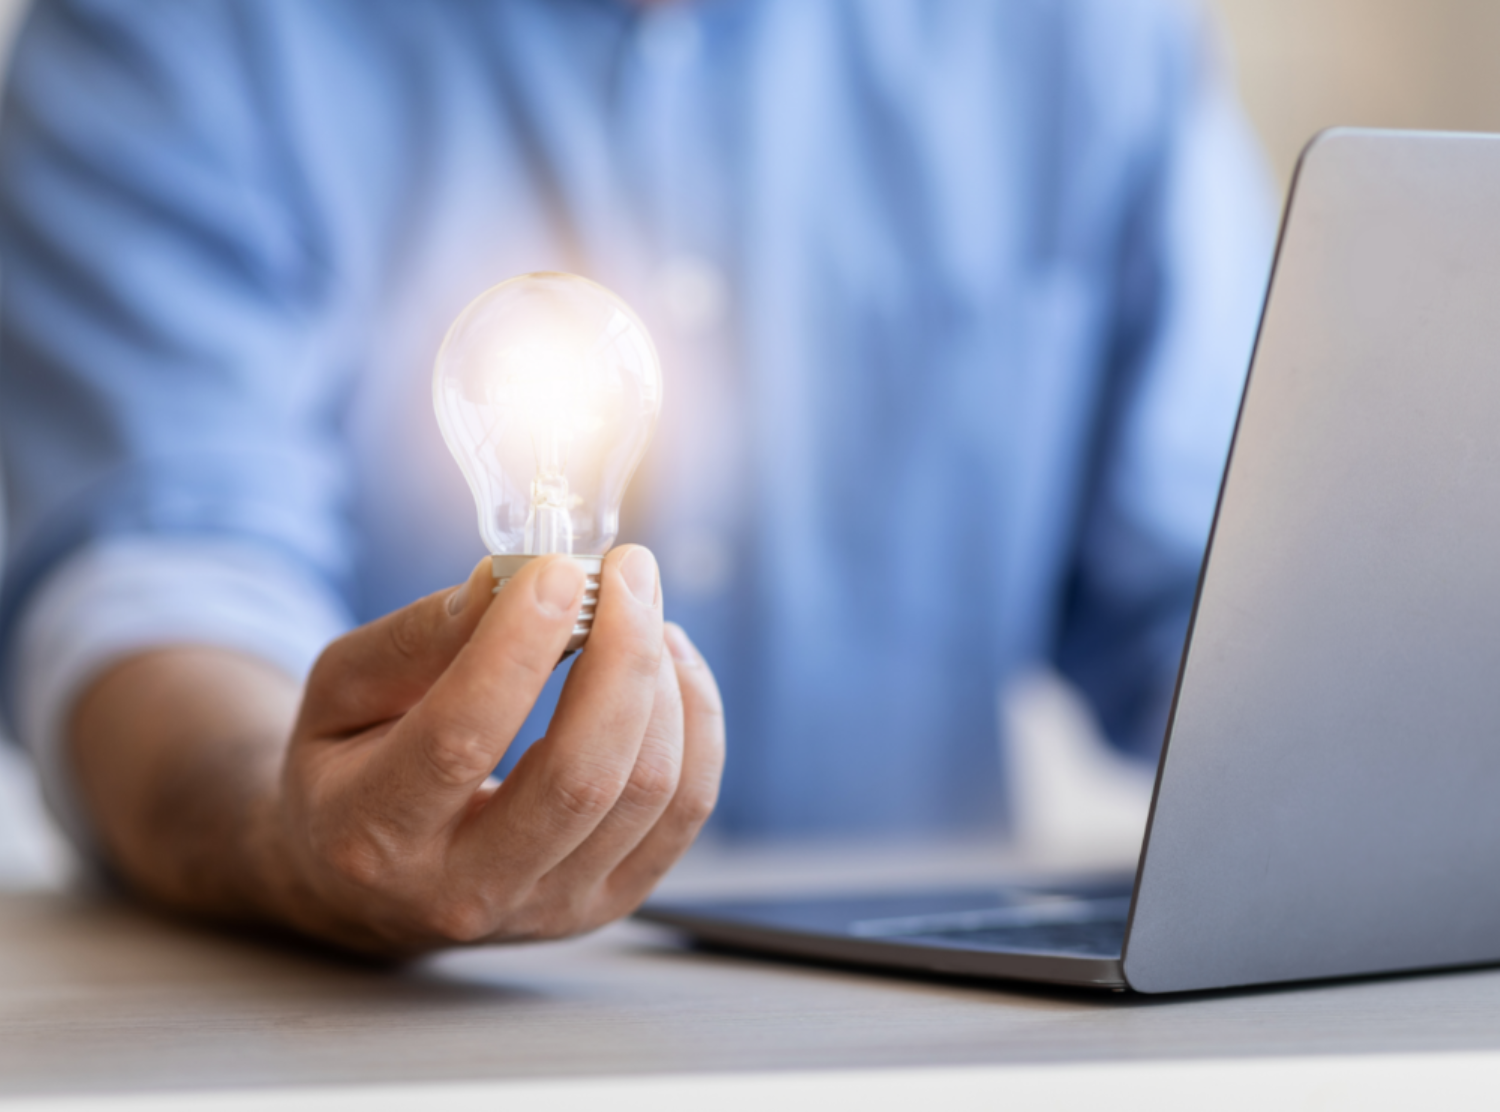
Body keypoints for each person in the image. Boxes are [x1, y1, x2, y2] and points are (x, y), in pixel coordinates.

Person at [0, 0, 1273, 955]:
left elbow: (1221, 598)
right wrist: (294, 825)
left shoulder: (1085, 38)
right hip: (402, 1039)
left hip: (929, 1034)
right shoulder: (178, 35)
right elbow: (163, 580)